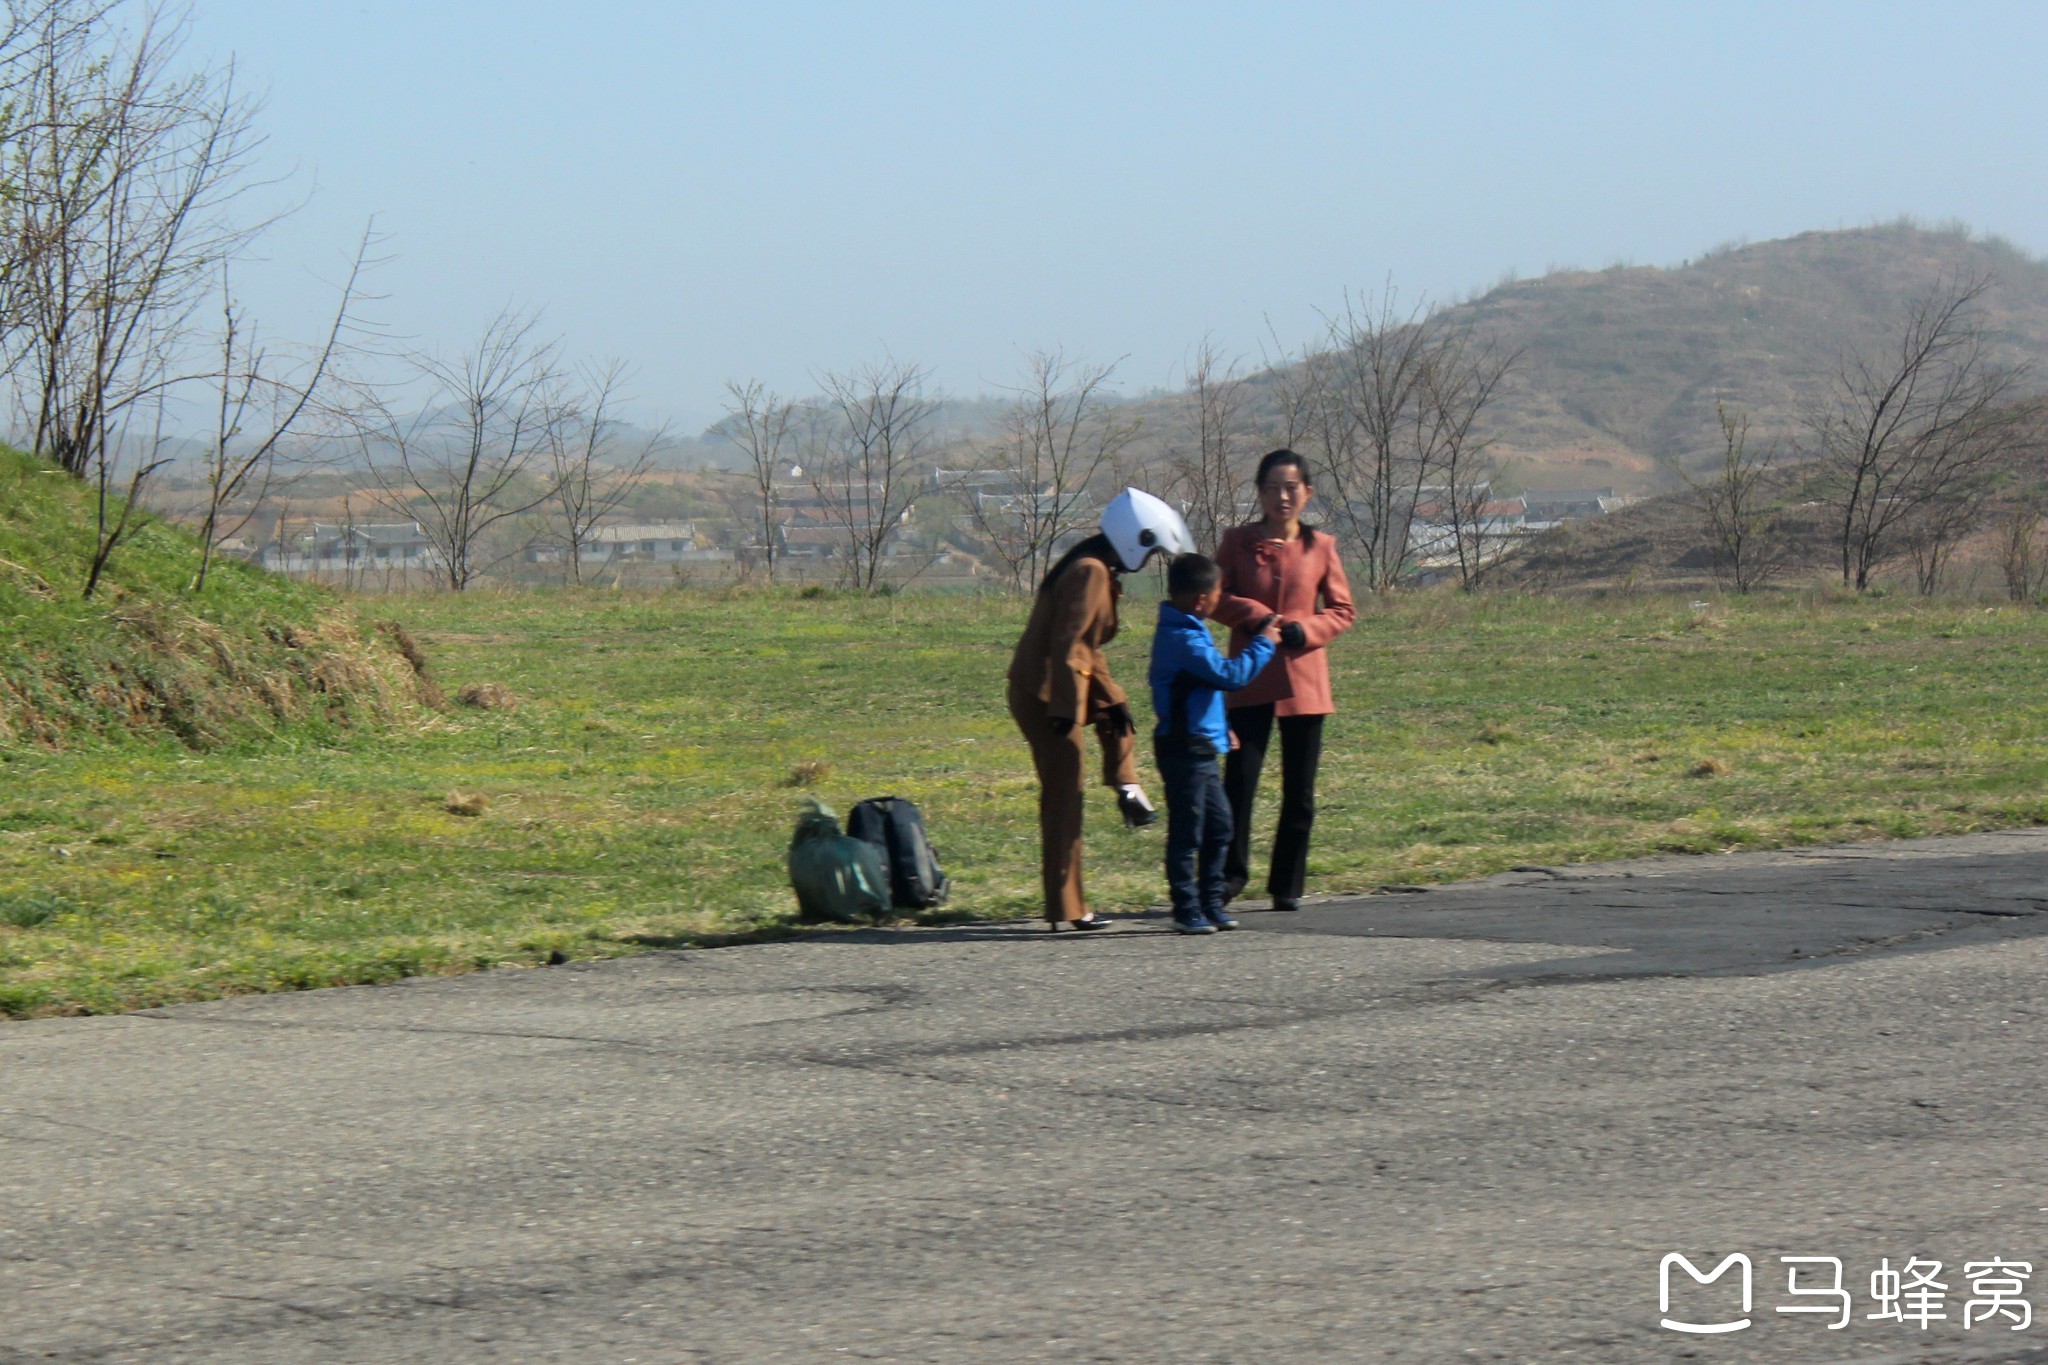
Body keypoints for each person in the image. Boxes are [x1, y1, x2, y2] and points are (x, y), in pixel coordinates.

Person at [1007, 488, 1194, 932]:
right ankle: (1068, 907)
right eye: (1151, 549)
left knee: (1114, 720)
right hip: (1045, 693)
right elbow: (1069, 645)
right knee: (1064, 792)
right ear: (1135, 538)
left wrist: (1112, 700)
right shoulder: (1090, 571)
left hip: (1059, 683)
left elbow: (1086, 647)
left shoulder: (1095, 567)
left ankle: (1127, 788)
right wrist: (1067, 711)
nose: (1150, 560)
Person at [1210, 450, 1356, 911]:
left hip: (1304, 683)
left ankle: (1287, 884)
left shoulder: (1322, 546)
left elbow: (1342, 610)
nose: (1283, 496)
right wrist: (1256, 617)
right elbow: (1212, 597)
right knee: (1239, 783)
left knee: (1300, 791)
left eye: (1292, 486)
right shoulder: (1236, 541)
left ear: (1307, 493)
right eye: (1272, 487)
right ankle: (1228, 878)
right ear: (1259, 493)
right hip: (1249, 677)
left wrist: (1305, 629)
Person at [1147, 553, 1279, 935]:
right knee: (1188, 831)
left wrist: (1222, 729)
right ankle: (1185, 908)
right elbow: (1228, 675)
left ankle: (1210, 901)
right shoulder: (1181, 638)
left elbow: (1199, 689)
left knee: (1220, 827)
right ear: (1202, 600)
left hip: (1203, 745)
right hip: (1182, 748)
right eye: (1219, 593)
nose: (1222, 600)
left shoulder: (1190, 629)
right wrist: (1263, 643)